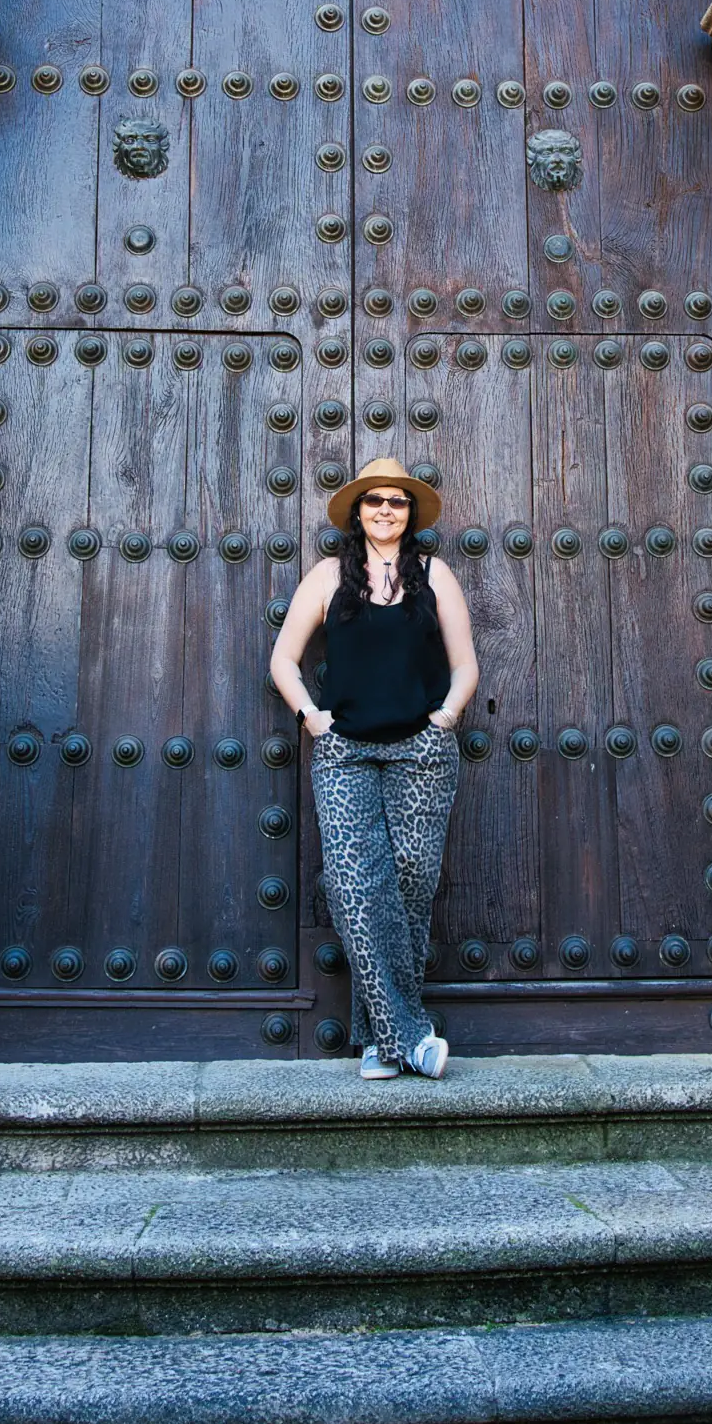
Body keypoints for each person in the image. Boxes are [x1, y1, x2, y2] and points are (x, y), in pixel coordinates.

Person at [270, 457, 479, 1081]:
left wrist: (445, 716)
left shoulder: (436, 575)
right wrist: (312, 716)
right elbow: (284, 659)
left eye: (397, 502)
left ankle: (379, 1040)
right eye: (374, 502)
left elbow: (465, 664)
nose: (386, 511)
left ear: (410, 514)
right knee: (358, 889)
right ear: (357, 513)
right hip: (345, 754)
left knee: (410, 887)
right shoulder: (328, 577)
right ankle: (412, 1037)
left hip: (421, 750)